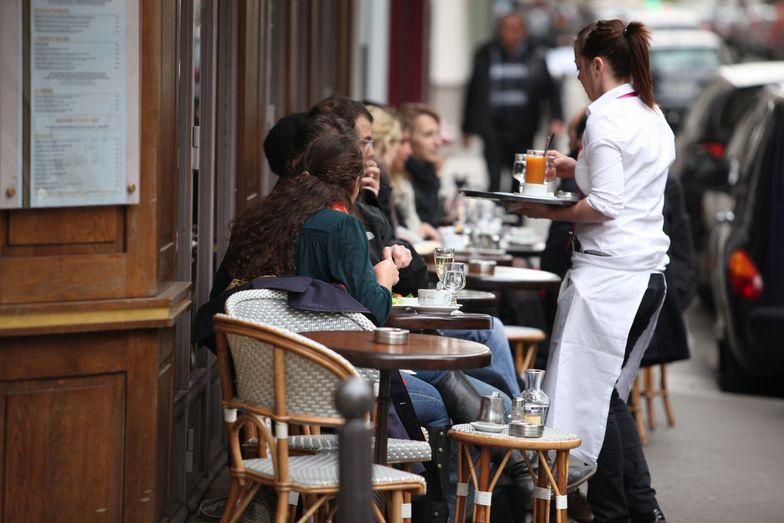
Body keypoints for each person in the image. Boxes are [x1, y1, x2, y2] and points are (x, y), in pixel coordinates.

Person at [506, 19, 673, 523]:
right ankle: (637, 509)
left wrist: (547, 212)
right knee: (609, 398)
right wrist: (571, 168)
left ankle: (620, 511)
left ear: (597, 65)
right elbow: (625, 183)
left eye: (580, 68)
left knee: (597, 399)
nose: (579, 77)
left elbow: (604, 204)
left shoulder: (605, 120)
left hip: (610, 278)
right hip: (646, 274)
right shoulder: (649, 112)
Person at [462, 10, 563, 193]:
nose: (508, 33)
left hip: (523, 125)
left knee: (519, 175)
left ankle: (515, 216)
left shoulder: (536, 54)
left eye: (513, 29)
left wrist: (556, 117)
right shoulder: (486, 53)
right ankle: (494, 214)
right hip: (493, 125)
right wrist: (467, 128)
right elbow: (473, 90)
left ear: (523, 32)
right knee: (493, 176)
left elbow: (551, 89)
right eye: (505, 29)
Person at [399, 103, 445, 228]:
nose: (438, 142)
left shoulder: (429, 171)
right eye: (428, 134)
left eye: (438, 134)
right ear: (406, 138)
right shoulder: (397, 178)